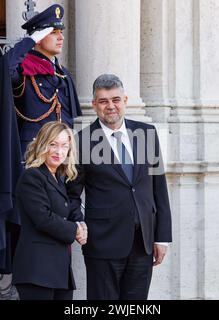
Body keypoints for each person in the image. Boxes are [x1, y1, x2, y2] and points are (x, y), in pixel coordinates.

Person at [0, 4, 82, 274]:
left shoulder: (61, 74)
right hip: (30, 164)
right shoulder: (22, 69)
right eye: (52, 32)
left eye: (60, 31)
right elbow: (4, 67)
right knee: (34, 229)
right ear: (39, 37)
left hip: (60, 164)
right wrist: (29, 41)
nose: (60, 36)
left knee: (58, 224)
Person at [67, 74, 172, 300]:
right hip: (102, 243)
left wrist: (162, 237)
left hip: (143, 243)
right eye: (103, 101)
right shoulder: (81, 141)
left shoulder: (147, 133)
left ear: (125, 100)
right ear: (94, 105)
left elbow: (159, 188)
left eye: (115, 99)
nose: (110, 106)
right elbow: (71, 194)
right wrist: (79, 224)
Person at [12, 121, 87, 300]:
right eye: (52, 144)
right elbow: (43, 219)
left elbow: (67, 209)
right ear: (42, 145)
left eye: (64, 146)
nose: (58, 151)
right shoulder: (32, 176)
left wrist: (80, 223)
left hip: (58, 270)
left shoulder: (58, 178)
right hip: (37, 270)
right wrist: (75, 230)